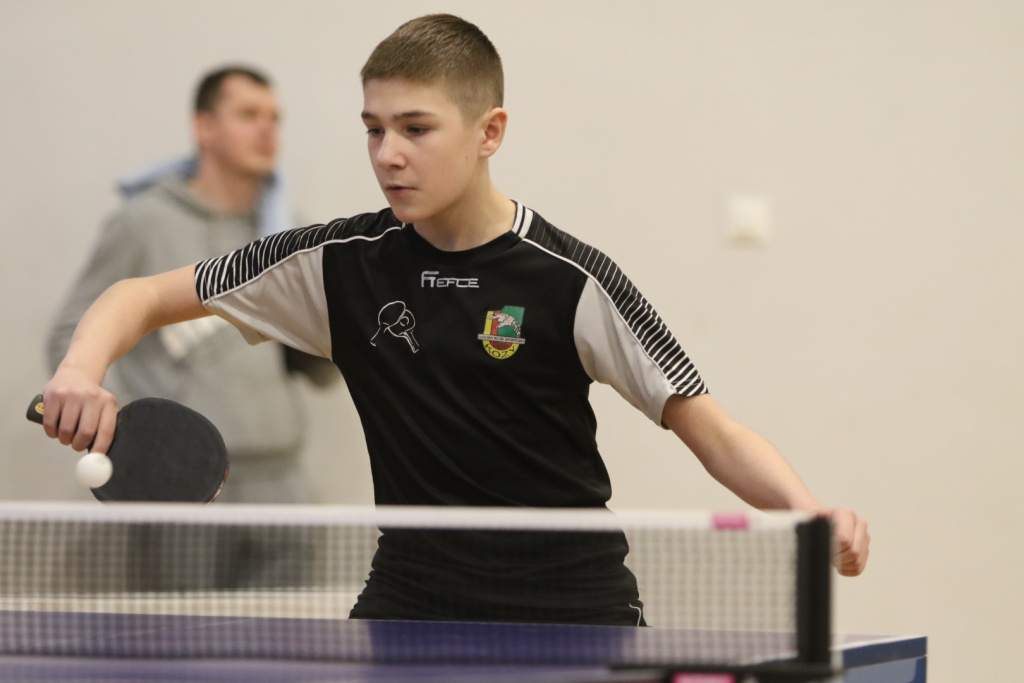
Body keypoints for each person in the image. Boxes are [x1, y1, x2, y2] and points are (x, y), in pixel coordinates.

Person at [41, 15, 869, 624]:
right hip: (413, 594)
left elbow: (711, 428)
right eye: (373, 129)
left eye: (415, 128)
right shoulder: (336, 264)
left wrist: (808, 509)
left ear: (489, 132)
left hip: (571, 604)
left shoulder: (570, 278)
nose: (388, 154)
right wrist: (81, 371)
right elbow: (138, 296)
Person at [46, 66, 338, 505]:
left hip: (281, 478)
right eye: (249, 115)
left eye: (274, 118)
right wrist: (117, 424)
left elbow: (320, 370)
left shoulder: (286, 232)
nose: (267, 130)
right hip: (176, 478)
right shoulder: (144, 222)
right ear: (204, 127)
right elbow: (70, 332)